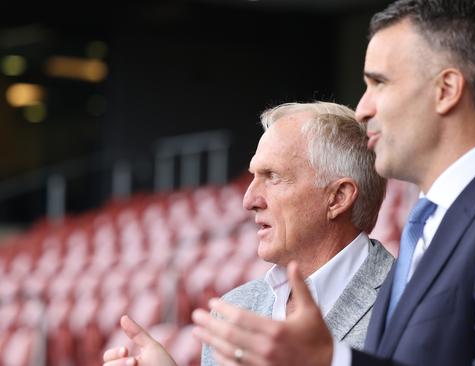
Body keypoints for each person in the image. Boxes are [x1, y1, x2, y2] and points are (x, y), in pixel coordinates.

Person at [191, 1, 475, 365]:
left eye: (379, 83)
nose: (363, 109)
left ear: (446, 90)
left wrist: (332, 361)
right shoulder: (427, 232)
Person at [102, 102, 393, 366]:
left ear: (338, 197)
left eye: (273, 177)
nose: (249, 200)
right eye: (253, 176)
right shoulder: (234, 308)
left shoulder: (408, 301)